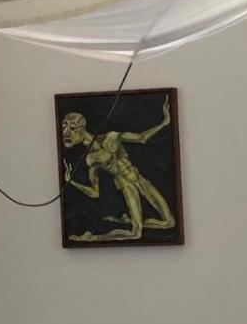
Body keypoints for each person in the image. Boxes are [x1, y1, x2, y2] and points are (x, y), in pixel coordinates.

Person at [60, 97, 175, 239]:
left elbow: (142, 138)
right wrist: (71, 181)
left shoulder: (111, 137)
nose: (66, 132)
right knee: (136, 234)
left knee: (169, 222)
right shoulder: (91, 159)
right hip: (126, 185)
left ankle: (126, 221)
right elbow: (95, 193)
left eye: (72, 128)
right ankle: (92, 237)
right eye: (63, 127)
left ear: (82, 129)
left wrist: (164, 123)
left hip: (140, 179)